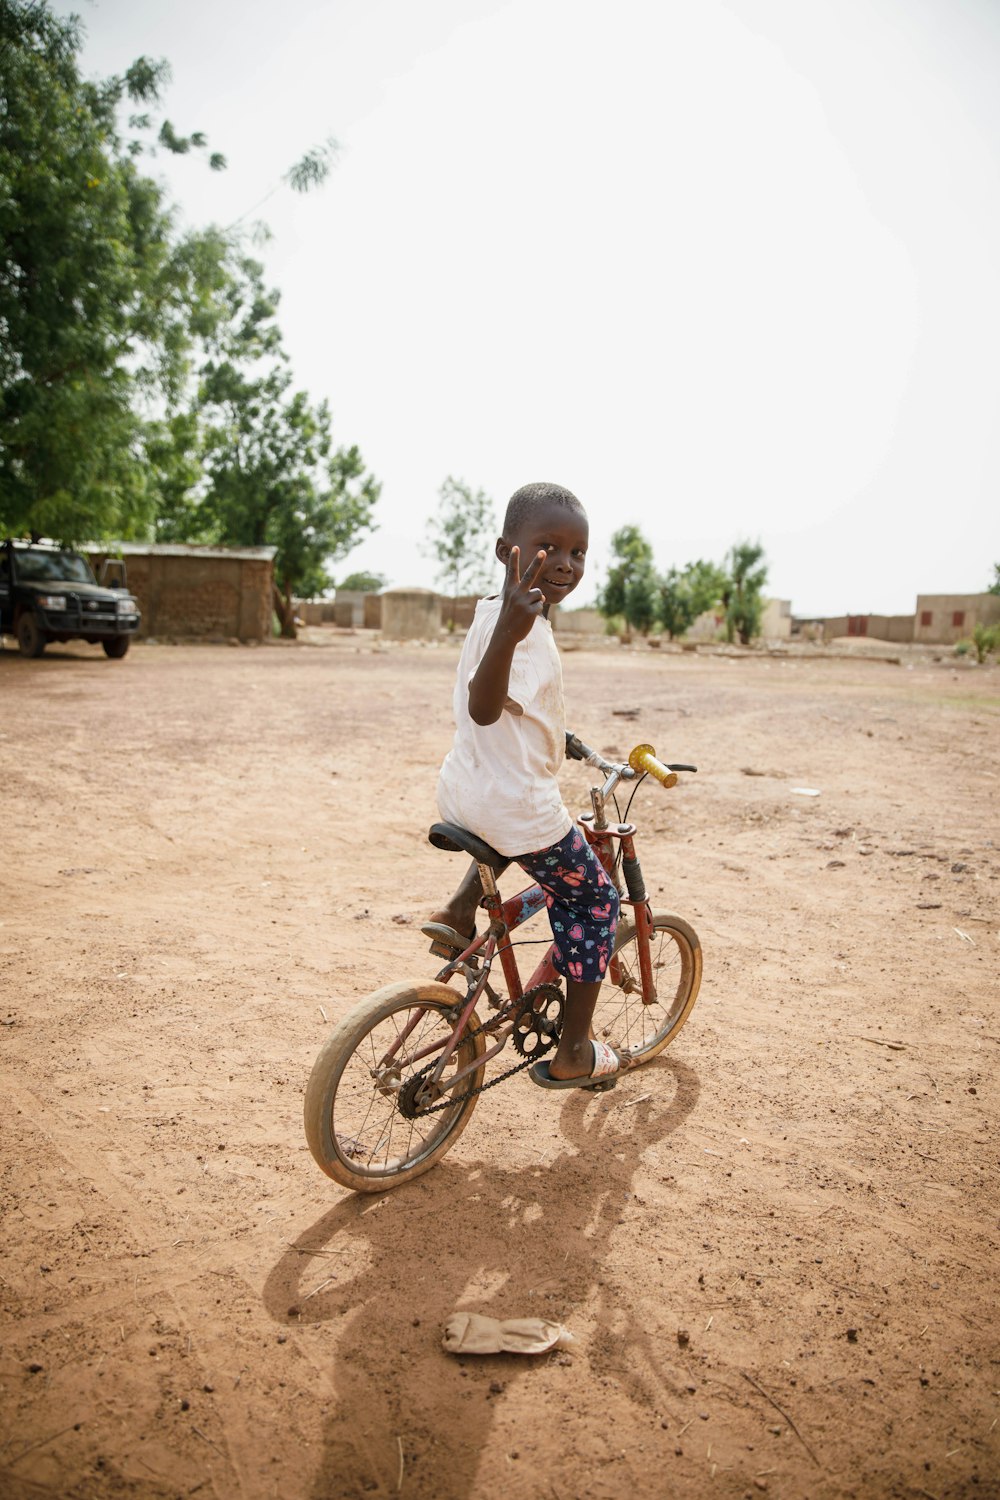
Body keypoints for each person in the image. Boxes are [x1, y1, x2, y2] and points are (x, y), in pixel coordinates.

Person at [423, 481, 625, 1090]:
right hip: (514, 803)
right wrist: (515, 632)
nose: (564, 563)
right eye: (546, 548)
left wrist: (558, 736)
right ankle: (575, 1051)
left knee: (516, 830)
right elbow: (485, 705)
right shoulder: (518, 625)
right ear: (505, 549)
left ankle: (460, 910)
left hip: (467, 789)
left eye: (578, 552)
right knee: (595, 902)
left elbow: (512, 710)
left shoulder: (492, 609)